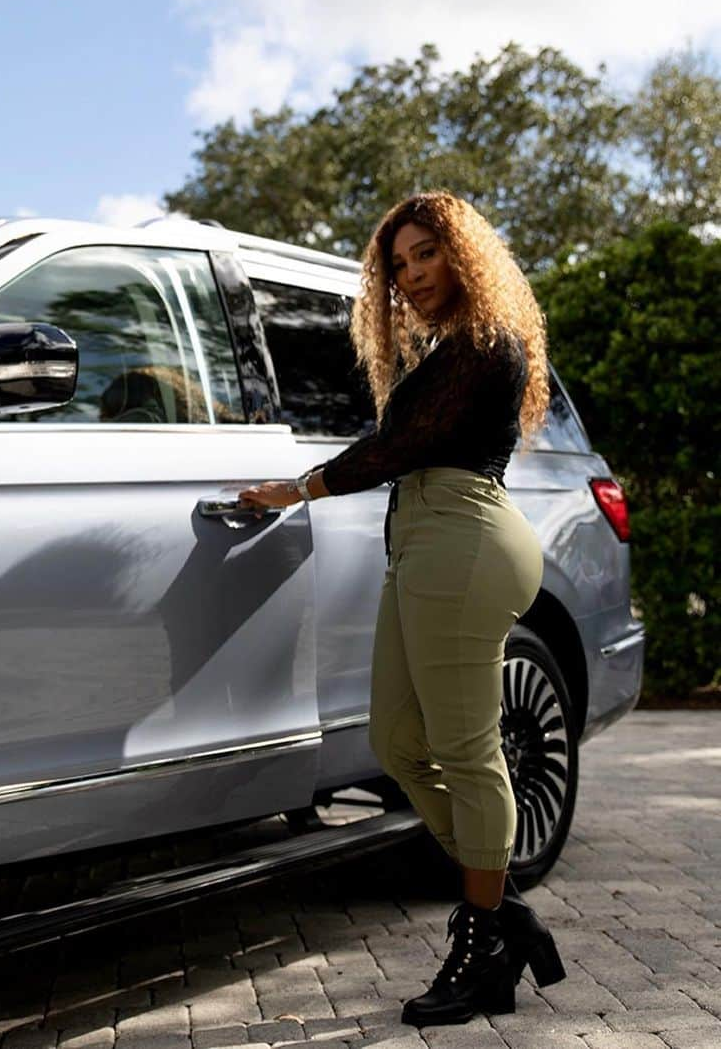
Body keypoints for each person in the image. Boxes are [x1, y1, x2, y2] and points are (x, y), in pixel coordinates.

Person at [238, 190, 566, 1028]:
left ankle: (484, 943)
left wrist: (297, 488)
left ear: (464, 254)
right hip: (425, 543)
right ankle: (501, 911)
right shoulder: (444, 349)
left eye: (427, 254)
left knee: (466, 751)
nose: (413, 275)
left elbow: (400, 449)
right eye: (399, 264)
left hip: (461, 539)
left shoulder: (488, 343)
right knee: (397, 739)